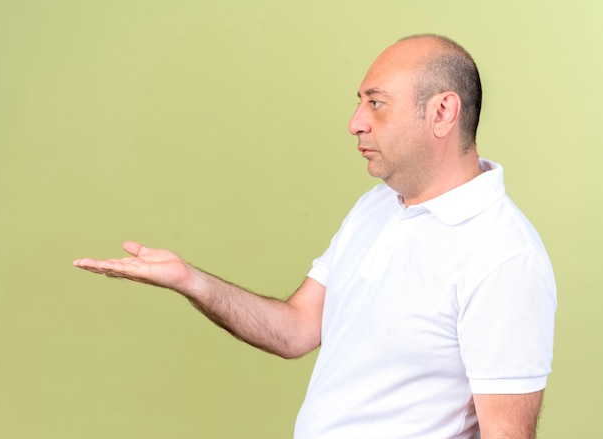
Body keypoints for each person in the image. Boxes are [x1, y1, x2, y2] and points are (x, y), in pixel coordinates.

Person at [73, 34, 556, 438]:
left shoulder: (503, 255)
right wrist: (190, 280)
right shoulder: (375, 206)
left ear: (442, 112)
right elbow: (297, 329)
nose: (355, 123)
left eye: (376, 103)